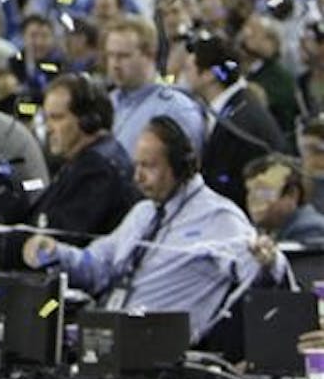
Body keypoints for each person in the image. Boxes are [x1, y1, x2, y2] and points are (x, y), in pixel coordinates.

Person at [24, 116, 282, 345]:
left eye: (149, 166)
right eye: (137, 166)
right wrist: (56, 252)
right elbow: (97, 264)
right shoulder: (143, 213)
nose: (138, 177)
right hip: (110, 335)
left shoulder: (218, 217)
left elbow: (257, 270)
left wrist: (269, 262)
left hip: (160, 349)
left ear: (181, 166)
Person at [27, 74, 141, 238]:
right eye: (47, 119)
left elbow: (57, 239)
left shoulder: (97, 170)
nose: (48, 128)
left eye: (57, 118)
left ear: (88, 121)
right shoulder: (82, 160)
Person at [183, 32, 287, 208]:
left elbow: (223, 189)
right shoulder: (240, 104)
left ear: (210, 75)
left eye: (188, 69)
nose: (183, 76)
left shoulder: (236, 124)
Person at [104, 15, 206, 160]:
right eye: (110, 55)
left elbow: (186, 168)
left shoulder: (176, 109)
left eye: (123, 56)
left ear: (150, 55)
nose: (114, 64)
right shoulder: (108, 102)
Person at [244, 154, 324, 247]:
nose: (252, 198)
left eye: (263, 191)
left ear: (292, 194)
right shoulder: (252, 229)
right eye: (250, 190)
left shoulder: (310, 229)